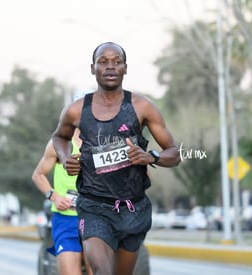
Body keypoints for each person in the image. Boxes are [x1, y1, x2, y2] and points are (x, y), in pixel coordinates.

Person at [52, 41, 181, 275]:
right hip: (94, 207)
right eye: (103, 62)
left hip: (133, 208)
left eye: (116, 62)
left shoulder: (143, 107)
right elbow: (59, 137)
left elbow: (174, 153)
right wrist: (65, 157)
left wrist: (149, 156)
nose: (110, 67)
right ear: (93, 68)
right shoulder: (76, 110)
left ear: (125, 68)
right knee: (102, 270)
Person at [32, 128, 92, 275]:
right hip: (66, 219)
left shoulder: (103, 138)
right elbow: (38, 175)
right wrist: (55, 196)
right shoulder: (60, 143)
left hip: (96, 218)